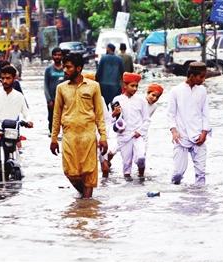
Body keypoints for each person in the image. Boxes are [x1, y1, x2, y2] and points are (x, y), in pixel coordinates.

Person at [50, 53, 108, 199]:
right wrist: (54, 138)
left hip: (88, 136)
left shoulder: (94, 86)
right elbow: (56, 115)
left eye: (68, 67)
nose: (64, 70)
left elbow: (99, 114)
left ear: (78, 68)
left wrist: (103, 137)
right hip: (69, 136)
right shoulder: (61, 88)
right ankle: (84, 197)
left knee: (89, 172)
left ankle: (86, 208)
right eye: (64, 67)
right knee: (70, 172)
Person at [167, 62, 211, 185]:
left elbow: (205, 113)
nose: (203, 80)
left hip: (199, 135)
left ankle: (200, 201)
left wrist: (204, 133)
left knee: (201, 173)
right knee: (177, 174)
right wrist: (174, 131)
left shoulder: (202, 91)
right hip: (181, 136)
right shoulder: (175, 91)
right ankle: (177, 199)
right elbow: (170, 114)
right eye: (201, 77)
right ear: (191, 75)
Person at [111, 72, 149, 181]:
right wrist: (114, 114)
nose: (135, 88)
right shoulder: (117, 100)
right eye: (132, 86)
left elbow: (147, 120)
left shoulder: (141, 100)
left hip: (138, 135)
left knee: (141, 157)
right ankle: (128, 189)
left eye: (136, 86)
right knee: (126, 164)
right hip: (124, 135)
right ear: (125, 85)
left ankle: (141, 178)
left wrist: (140, 131)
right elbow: (112, 120)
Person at [95, 43, 124, 108]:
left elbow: (99, 71)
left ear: (108, 49)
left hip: (103, 85)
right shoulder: (119, 59)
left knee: (104, 105)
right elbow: (122, 73)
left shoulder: (103, 58)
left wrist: (96, 81)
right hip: (115, 86)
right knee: (113, 104)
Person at [44, 47, 64, 135]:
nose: (57, 57)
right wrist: (49, 100)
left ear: (62, 56)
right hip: (52, 100)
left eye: (59, 55)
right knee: (52, 118)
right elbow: (45, 85)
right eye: (55, 55)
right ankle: (53, 134)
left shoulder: (66, 69)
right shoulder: (48, 70)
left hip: (64, 100)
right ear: (52, 56)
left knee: (64, 118)